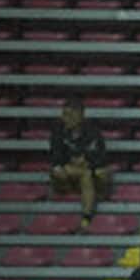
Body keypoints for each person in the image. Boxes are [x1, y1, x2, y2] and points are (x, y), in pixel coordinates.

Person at [49, 96, 111, 230]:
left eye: (70, 114)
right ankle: (87, 216)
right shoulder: (58, 131)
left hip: (86, 171)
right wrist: (72, 162)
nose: (66, 118)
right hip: (66, 171)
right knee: (67, 172)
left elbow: (101, 158)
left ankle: (86, 217)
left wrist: (86, 162)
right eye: (64, 114)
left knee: (94, 174)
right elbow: (55, 158)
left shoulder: (93, 132)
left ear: (80, 115)